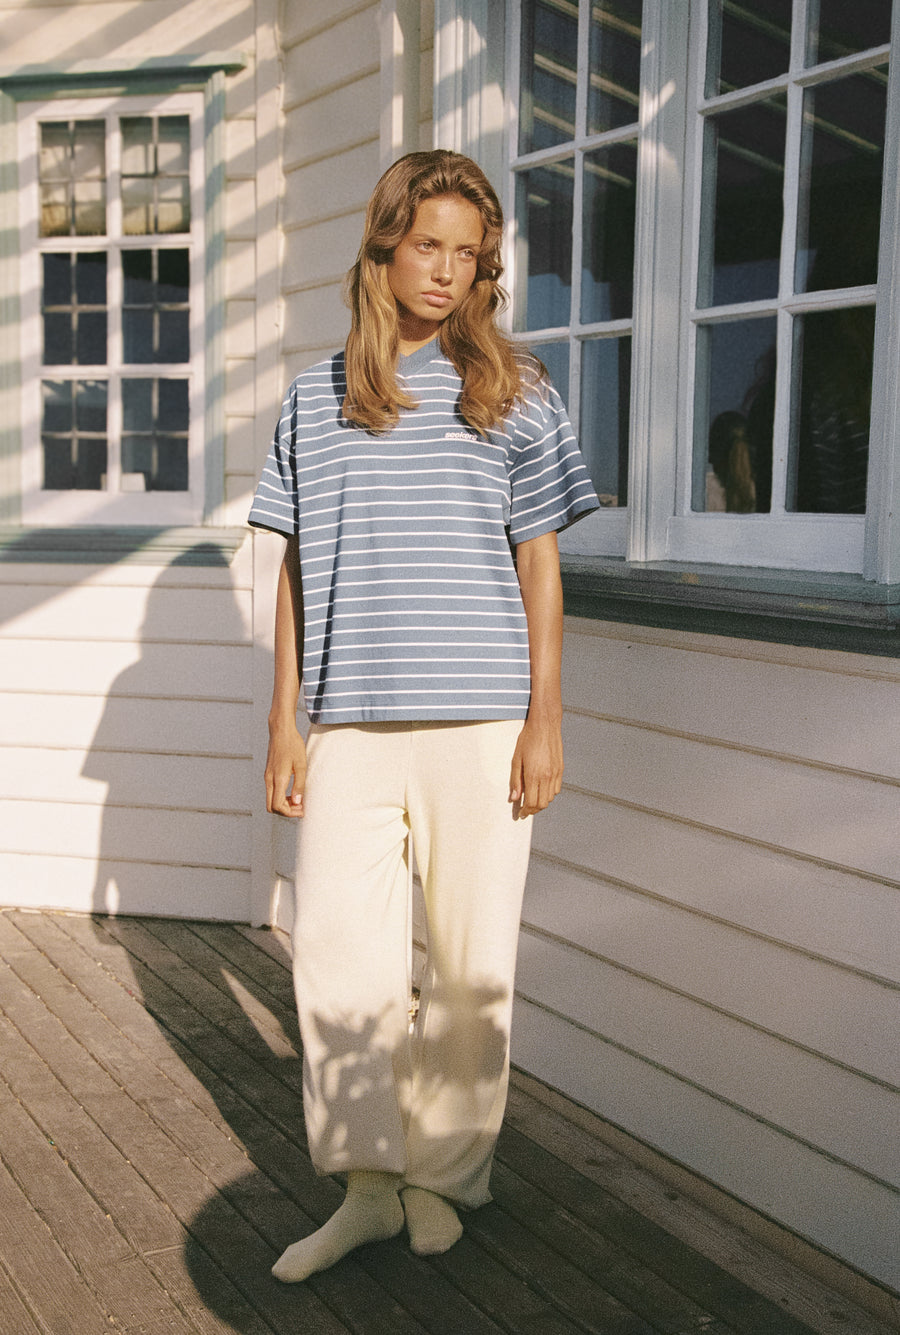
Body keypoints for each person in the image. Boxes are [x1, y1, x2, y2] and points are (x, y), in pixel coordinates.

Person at [248, 149, 599, 1282]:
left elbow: (540, 570)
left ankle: (446, 1178)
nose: (447, 270)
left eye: (469, 252)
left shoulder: (517, 393)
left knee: (466, 965)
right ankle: (365, 1186)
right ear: (386, 245)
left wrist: (546, 719)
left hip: (484, 724)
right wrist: (285, 720)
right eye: (428, 245)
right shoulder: (315, 400)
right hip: (350, 722)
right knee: (341, 964)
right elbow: (295, 573)